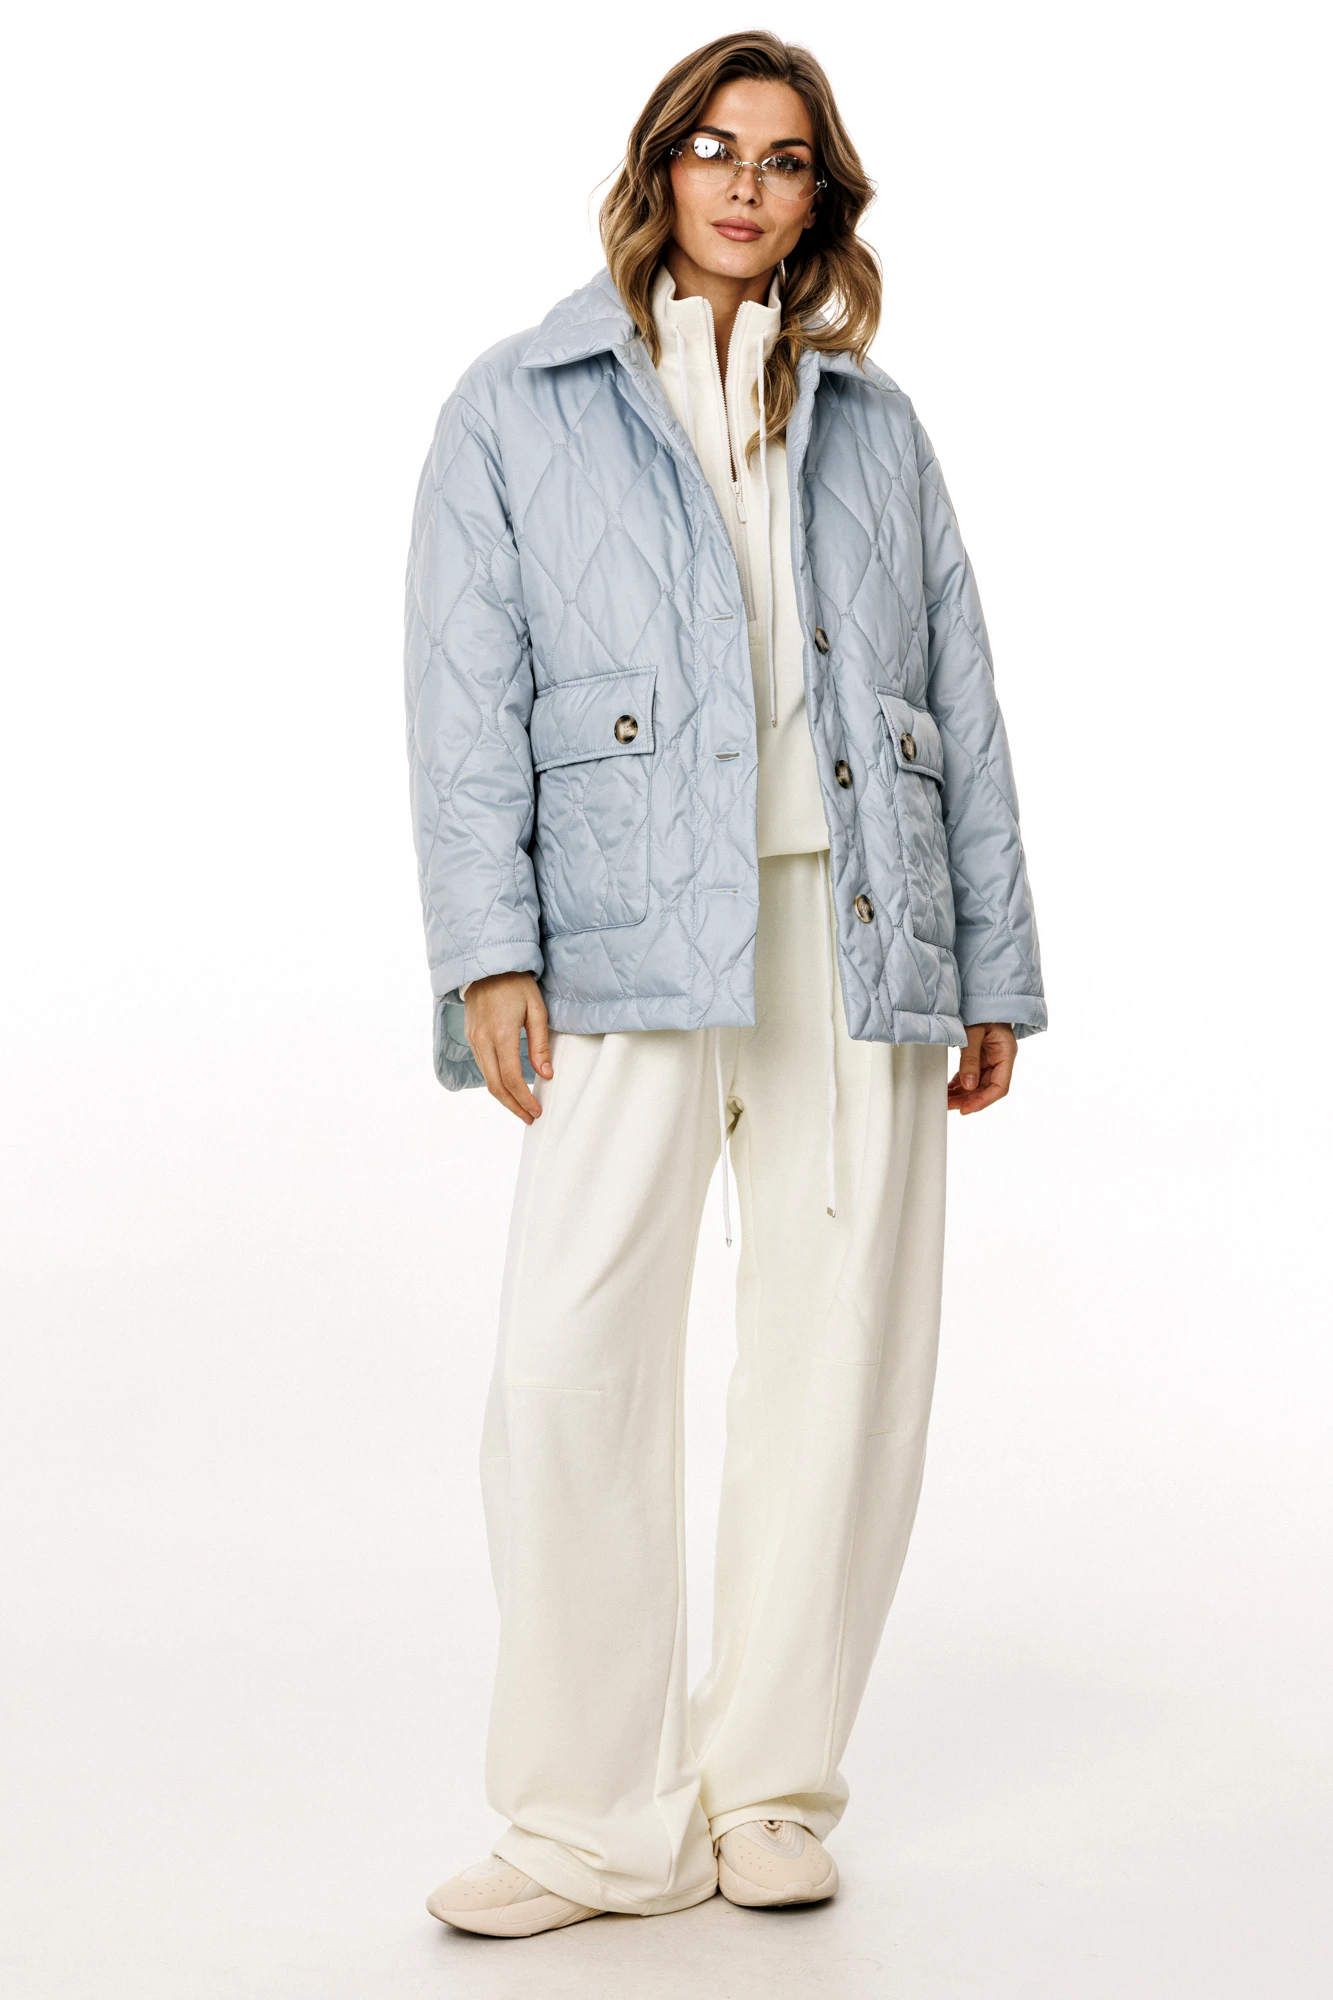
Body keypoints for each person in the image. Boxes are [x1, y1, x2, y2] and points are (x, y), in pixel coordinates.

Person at [403, 29, 1045, 1940]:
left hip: (860, 920)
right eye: (713, 148)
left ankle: (768, 1786)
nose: (746, 185)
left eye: (782, 158)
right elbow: (461, 699)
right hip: (622, 923)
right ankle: (591, 1822)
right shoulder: (516, 405)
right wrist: (488, 948)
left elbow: (962, 696)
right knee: (569, 1358)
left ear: (818, 195)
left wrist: (992, 962)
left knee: (841, 1356)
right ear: (658, 169)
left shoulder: (878, 427)